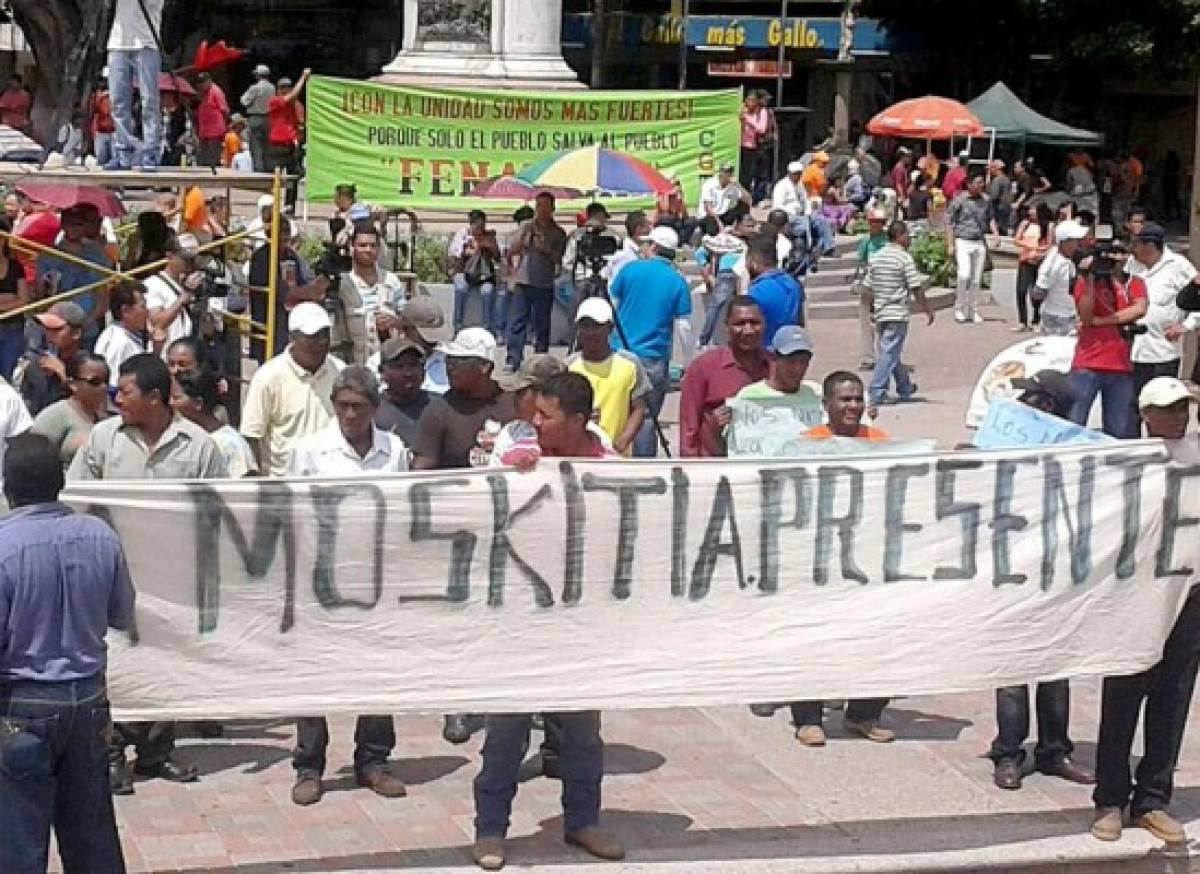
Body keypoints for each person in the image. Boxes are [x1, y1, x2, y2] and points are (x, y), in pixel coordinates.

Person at [471, 371, 625, 872]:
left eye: (546, 415)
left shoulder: (614, 471)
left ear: (579, 421)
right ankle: (490, 830)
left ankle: (583, 820)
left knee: (582, 733)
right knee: (505, 733)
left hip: (582, 625)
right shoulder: (517, 461)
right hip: (521, 621)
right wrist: (515, 476)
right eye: (533, 412)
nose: (533, 422)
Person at [69, 354, 226, 794]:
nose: (117, 398)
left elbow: (219, 511)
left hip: (172, 579)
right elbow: (77, 498)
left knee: (163, 662)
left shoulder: (197, 446)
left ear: (155, 398)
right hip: (110, 573)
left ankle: (156, 752)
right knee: (113, 663)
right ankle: (113, 753)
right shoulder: (103, 439)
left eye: (127, 391)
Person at [0, 433, 133, 874]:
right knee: (93, 840)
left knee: (18, 842)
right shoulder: (101, 537)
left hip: (22, 705)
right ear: (61, 483)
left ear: (7, 487)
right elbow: (121, 614)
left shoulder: (3, 548)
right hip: (89, 704)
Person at [285, 366, 407, 805]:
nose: (350, 415)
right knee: (314, 671)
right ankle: (308, 766)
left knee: (376, 668)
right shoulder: (310, 451)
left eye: (358, 407)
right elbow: (292, 512)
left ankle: (373, 761)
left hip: (376, 579)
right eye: (342, 406)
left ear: (375, 407)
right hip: (321, 579)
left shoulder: (393, 450)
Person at [1092, 376, 1200, 845]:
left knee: (1173, 700)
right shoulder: (1122, 465)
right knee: (1122, 698)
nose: (1178, 416)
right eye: (1168, 409)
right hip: (1134, 599)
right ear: (1145, 415)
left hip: (1189, 597)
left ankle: (1153, 798)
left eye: (1183, 407)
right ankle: (1110, 800)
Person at [984, 368, 1096, 791]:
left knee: (1055, 669)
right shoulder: (1003, 446)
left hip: (1056, 575)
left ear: (1045, 408)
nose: (1021, 405)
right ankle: (1008, 753)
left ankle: (1054, 751)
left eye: (1030, 399)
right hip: (1010, 574)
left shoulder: (1077, 455)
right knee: (1012, 668)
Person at [608, 226, 692, 457]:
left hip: (619, 351)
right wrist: (688, 361)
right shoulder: (677, 281)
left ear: (653, 247)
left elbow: (612, 306)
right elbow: (684, 327)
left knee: (613, 411)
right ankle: (644, 467)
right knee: (646, 417)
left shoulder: (630, 270)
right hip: (653, 357)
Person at [240, 303, 342, 477]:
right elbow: (252, 436)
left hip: (331, 480)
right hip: (285, 484)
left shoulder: (341, 372)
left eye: (325, 334)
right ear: (292, 338)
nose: (322, 342)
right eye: (313, 336)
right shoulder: (268, 378)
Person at [1124, 222, 1199, 432]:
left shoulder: (1179, 265)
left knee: (1162, 409)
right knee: (1131, 409)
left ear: (1150, 245)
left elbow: (1197, 296)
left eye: (1136, 244)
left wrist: (1186, 325)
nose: (1133, 248)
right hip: (1133, 351)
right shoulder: (1132, 265)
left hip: (1163, 354)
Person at [1068, 246, 1148, 437]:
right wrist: (1087, 280)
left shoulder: (1134, 282)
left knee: (1118, 428)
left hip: (1121, 364)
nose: (1117, 260)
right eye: (1111, 256)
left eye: (1122, 254)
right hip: (1088, 361)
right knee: (1073, 421)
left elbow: (1140, 309)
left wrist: (1103, 321)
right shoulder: (1087, 281)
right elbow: (1086, 317)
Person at [412, 327, 516, 473]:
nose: (450, 366)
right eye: (449, 360)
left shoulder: (513, 405)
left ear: (484, 366)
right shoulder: (438, 411)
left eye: (459, 360)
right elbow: (421, 468)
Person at [679, 297, 769, 458]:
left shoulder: (774, 366)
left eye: (754, 323)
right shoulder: (703, 368)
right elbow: (688, 427)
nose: (748, 330)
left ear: (764, 324)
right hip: (716, 468)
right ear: (726, 327)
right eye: (740, 324)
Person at [565, 296, 649, 455]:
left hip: (616, 457)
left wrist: (623, 441)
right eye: (585, 326)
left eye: (597, 326)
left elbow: (639, 408)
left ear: (610, 328)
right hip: (578, 457)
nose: (590, 332)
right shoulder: (569, 366)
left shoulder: (629, 363)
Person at [866, 221, 934, 412]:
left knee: (891, 350)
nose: (910, 239)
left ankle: (904, 386)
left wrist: (872, 308)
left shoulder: (876, 257)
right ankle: (877, 391)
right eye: (907, 235)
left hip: (881, 311)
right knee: (889, 352)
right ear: (901, 236)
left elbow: (868, 286)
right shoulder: (904, 259)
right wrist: (927, 309)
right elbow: (916, 287)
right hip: (896, 312)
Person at [34, 203, 113, 343]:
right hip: (55, 328)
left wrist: (86, 323)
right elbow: (41, 296)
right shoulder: (47, 256)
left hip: (88, 329)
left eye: (79, 224)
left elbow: (102, 299)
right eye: (70, 223)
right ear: (63, 225)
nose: (74, 228)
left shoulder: (97, 256)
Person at [506, 192, 567, 371]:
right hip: (523, 280)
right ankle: (513, 359)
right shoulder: (527, 226)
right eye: (538, 205)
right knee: (517, 322)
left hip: (544, 283)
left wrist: (545, 250)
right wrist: (524, 240)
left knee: (542, 323)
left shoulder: (558, 232)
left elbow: (559, 258)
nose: (541, 209)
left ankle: (540, 359)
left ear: (552, 208)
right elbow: (512, 250)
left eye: (545, 205)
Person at [105, 0, 162, 170]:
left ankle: (150, 153)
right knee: (117, 102)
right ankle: (123, 152)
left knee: (149, 102)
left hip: (146, 42)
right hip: (118, 43)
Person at [171, 367, 257, 478]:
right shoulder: (180, 436)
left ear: (198, 403)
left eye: (176, 398)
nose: (170, 403)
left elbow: (244, 488)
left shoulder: (230, 444)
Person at [335, 224, 402, 365]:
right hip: (353, 364)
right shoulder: (342, 284)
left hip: (387, 363)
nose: (368, 250)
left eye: (373, 245)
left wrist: (394, 322)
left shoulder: (391, 281)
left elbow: (407, 319)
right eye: (362, 245)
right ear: (352, 248)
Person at [31, 353, 111, 470]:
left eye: (106, 381)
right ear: (73, 384)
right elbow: (35, 461)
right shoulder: (54, 416)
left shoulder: (107, 419)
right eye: (95, 382)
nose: (103, 387)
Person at [17, 301, 87, 417]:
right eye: (47, 329)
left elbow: (93, 403)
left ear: (76, 333)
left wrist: (63, 375)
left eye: (57, 329)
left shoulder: (88, 364)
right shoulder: (38, 363)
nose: (49, 335)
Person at [946, 175, 1000, 324]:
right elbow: (949, 221)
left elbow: (990, 218)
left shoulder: (986, 200)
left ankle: (973, 309)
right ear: (969, 184)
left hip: (979, 241)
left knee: (976, 279)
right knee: (964, 275)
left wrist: (995, 233)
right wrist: (950, 244)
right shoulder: (960, 200)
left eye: (982, 182)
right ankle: (959, 307)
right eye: (978, 182)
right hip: (962, 240)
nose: (981, 185)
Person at [143, 232, 201, 354]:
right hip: (164, 356)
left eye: (193, 259)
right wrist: (184, 296)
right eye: (185, 258)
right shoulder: (153, 285)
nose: (190, 263)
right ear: (169, 256)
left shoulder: (185, 284)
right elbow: (158, 323)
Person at [449, 210, 501, 335]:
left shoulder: (489, 237)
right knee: (460, 289)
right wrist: (467, 248)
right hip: (464, 272)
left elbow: (498, 257)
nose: (480, 228)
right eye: (477, 225)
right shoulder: (462, 235)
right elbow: (454, 254)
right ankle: (458, 327)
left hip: (484, 275)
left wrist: (489, 246)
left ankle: (487, 328)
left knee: (487, 292)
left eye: (482, 225)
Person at [1033, 218, 1087, 336]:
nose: (1078, 243)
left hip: (1069, 315)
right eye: (1075, 240)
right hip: (1057, 318)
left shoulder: (1066, 260)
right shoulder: (1054, 263)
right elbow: (1038, 293)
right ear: (1065, 241)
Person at [374, 336, 431, 447]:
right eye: (399, 367)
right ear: (382, 372)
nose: (408, 373)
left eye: (413, 365)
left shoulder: (439, 406)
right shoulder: (372, 410)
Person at [267, 69, 312, 206]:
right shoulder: (274, 102)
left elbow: (301, 121)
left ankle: (289, 206)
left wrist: (300, 139)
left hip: (292, 144)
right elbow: (290, 97)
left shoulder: (296, 105)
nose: (285, 90)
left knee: (293, 177)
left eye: (288, 87)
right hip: (277, 144)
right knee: (275, 177)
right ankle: (272, 205)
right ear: (278, 90)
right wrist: (303, 77)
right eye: (282, 88)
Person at [746, 240, 803, 343]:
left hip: (766, 349)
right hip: (789, 346)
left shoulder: (758, 290)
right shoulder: (793, 283)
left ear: (754, 262)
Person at [854, 208, 889, 370]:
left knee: (884, 321)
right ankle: (868, 358)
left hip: (886, 284)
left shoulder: (888, 240)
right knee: (866, 322)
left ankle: (886, 355)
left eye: (879, 222)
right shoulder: (866, 241)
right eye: (873, 222)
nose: (876, 225)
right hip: (869, 284)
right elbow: (861, 262)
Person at [1013, 203, 1053, 331]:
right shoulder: (1025, 224)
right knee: (1021, 290)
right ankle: (1022, 321)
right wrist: (1030, 246)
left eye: (1033, 209)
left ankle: (1036, 318)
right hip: (1025, 260)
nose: (1030, 212)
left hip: (1039, 262)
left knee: (1036, 292)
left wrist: (1039, 251)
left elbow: (1049, 244)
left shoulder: (1048, 226)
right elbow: (1016, 240)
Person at [698, 162, 751, 235]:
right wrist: (720, 226)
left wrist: (738, 185)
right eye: (726, 173)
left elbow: (749, 200)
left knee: (744, 205)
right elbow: (708, 209)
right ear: (720, 173)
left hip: (723, 214)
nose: (728, 175)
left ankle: (738, 228)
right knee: (713, 230)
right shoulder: (709, 184)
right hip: (709, 216)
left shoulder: (732, 185)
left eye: (730, 173)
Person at [240, 64, 274, 172]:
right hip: (269, 118)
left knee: (256, 146)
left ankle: (259, 170)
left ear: (258, 75)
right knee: (267, 146)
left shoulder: (255, 88)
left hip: (255, 117)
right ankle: (268, 169)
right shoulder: (272, 88)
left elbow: (244, 101)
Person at [603, 210, 650, 283]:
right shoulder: (624, 254)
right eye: (648, 227)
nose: (650, 230)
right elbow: (618, 283)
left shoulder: (635, 251)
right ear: (638, 229)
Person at [195, 72, 230, 167]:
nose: (201, 85)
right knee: (202, 158)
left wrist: (225, 125)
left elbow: (225, 110)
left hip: (215, 131)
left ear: (209, 81)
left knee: (213, 159)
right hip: (204, 131)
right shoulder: (203, 93)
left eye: (203, 82)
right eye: (200, 83)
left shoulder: (216, 91)